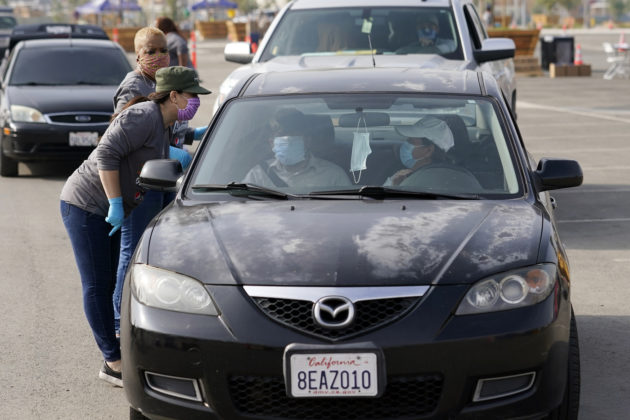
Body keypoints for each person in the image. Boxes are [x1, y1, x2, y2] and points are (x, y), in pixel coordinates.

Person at [60, 66, 211, 387]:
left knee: (114, 278)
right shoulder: (143, 115)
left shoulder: (163, 122)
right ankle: (111, 362)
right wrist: (115, 202)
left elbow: (160, 152)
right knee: (97, 285)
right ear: (174, 96)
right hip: (86, 205)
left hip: (110, 208)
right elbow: (106, 153)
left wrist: (195, 136)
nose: (196, 102)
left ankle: (117, 348)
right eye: (192, 96)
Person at [111, 27, 207, 338]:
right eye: (150, 51)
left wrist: (192, 135)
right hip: (141, 181)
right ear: (137, 55)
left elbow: (167, 126)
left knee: (157, 250)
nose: (158, 56)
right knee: (132, 250)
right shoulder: (133, 86)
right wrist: (171, 152)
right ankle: (118, 322)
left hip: (162, 176)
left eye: (163, 50)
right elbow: (124, 137)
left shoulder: (160, 82)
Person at [243, 108, 351, 188]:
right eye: (281, 135)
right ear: (271, 142)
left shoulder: (333, 175)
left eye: (293, 134)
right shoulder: (258, 174)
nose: (287, 139)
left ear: (307, 141)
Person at [384, 116, 454, 186]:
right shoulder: (403, 176)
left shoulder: (429, 181)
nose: (405, 143)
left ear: (428, 150)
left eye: (411, 140)